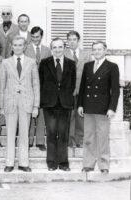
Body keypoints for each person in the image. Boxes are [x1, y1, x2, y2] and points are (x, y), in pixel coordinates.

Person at [78, 41, 120, 174]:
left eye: (99, 49)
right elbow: (83, 87)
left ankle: (104, 165)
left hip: (103, 108)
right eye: (94, 50)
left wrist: (112, 108)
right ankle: (88, 163)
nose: (96, 52)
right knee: (89, 137)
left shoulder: (112, 66)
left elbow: (115, 90)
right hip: (88, 106)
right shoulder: (87, 65)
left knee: (102, 137)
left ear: (105, 50)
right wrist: (80, 104)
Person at [0, 36, 40, 172]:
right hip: (10, 102)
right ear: (11, 46)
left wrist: (35, 106)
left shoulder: (32, 62)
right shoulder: (5, 63)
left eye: (20, 45)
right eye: (15, 45)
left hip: (26, 102)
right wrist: (1, 105)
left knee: (24, 133)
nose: (17, 47)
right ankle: (9, 163)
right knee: (10, 133)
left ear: (25, 46)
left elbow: (36, 85)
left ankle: (24, 163)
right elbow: (2, 86)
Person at [39, 38, 76, 171]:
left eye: (60, 47)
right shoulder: (44, 63)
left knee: (63, 133)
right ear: (51, 49)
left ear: (64, 47)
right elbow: (41, 83)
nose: (57, 50)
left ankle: (63, 162)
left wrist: (65, 96)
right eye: (54, 47)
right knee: (51, 133)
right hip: (49, 103)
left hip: (65, 103)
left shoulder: (71, 64)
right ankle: (51, 162)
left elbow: (72, 84)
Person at [25, 26, 51, 151]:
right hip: (29, 85)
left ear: (41, 36)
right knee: (29, 112)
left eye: (38, 37)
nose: (35, 39)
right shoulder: (25, 49)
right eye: (33, 37)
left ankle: (40, 141)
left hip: (44, 86)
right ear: (30, 37)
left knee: (41, 113)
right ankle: (29, 140)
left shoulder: (47, 50)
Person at [64, 31, 92, 148]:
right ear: (67, 41)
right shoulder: (63, 53)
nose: (72, 42)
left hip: (82, 89)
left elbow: (90, 72)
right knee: (69, 115)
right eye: (69, 39)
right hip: (68, 90)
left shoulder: (86, 54)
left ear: (78, 40)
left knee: (81, 115)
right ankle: (69, 140)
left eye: (74, 39)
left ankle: (80, 140)